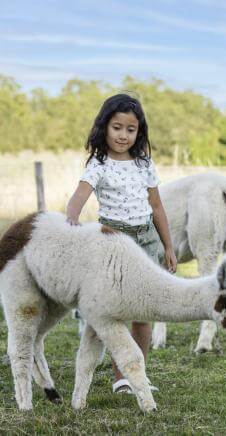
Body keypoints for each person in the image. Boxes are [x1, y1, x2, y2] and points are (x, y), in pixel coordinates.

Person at [66, 93, 178, 394]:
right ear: (105, 126)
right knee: (118, 314)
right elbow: (78, 198)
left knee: (144, 314)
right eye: (117, 127)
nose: (123, 135)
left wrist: (167, 246)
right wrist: (72, 221)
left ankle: (138, 374)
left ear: (139, 131)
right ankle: (121, 378)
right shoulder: (98, 164)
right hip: (113, 241)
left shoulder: (144, 164)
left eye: (131, 129)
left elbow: (156, 207)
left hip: (146, 240)